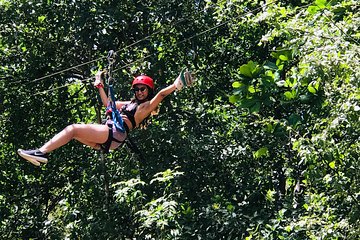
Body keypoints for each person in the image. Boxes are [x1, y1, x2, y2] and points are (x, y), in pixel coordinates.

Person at [17, 69, 193, 166]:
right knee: (75, 135)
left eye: (143, 89)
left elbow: (162, 95)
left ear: (149, 91)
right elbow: (108, 105)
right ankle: (41, 156)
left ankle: (41, 152)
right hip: (111, 140)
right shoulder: (129, 104)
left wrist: (176, 84)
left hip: (113, 133)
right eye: (137, 89)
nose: (139, 92)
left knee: (72, 129)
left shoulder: (145, 107)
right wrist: (99, 84)